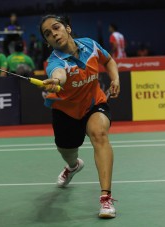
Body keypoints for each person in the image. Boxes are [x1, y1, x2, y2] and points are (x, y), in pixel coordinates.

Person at [39, 15, 120, 218]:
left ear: (67, 28)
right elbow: (59, 74)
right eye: (48, 34)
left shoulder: (90, 45)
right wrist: (56, 81)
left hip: (95, 104)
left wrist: (115, 78)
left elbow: (109, 60)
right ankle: (73, 166)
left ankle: (106, 198)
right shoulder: (54, 62)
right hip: (66, 112)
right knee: (66, 150)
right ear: (47, 41)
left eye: (56, 28)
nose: (54, 34)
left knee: (99, 133)